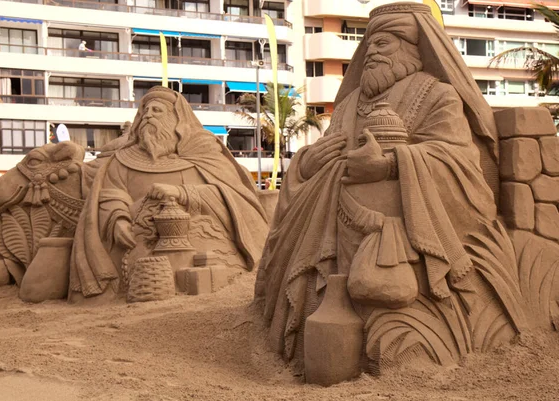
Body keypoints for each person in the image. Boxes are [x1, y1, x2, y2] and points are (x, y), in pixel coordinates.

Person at [254, 2, 506, 372]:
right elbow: (324, 156)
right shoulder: (350, 103)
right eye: (369, 44)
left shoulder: (437, 95)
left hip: (398, 236)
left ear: (410, 48)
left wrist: (389, 165)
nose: (371, 52)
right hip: (333, 228)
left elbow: (457, 160)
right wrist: (308, 162)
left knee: (392, 313)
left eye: (383, 44)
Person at [70, 86, 269, 301]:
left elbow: (231, 195)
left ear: (176, 118)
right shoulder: (122, 159)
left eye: (157, 111)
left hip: (207, 244)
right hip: (140, 245)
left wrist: (181, 193)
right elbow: (110, 193)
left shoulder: (204, 150)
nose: (148, 116)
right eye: (145, 112)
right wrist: (117, 219)